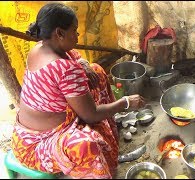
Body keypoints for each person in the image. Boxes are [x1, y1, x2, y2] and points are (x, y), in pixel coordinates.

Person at [11, 2, 146, 179]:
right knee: (86, 144)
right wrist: (125, 103)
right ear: (59, 33)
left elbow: (71, 55)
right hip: (36, 145)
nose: (78, 34)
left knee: (96, 70)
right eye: (74, 30)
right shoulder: (64, 69)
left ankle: (109, 146)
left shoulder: (40, 48)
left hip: (25, 132)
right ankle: (99, 168)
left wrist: (83, 64)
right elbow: (91, 115)